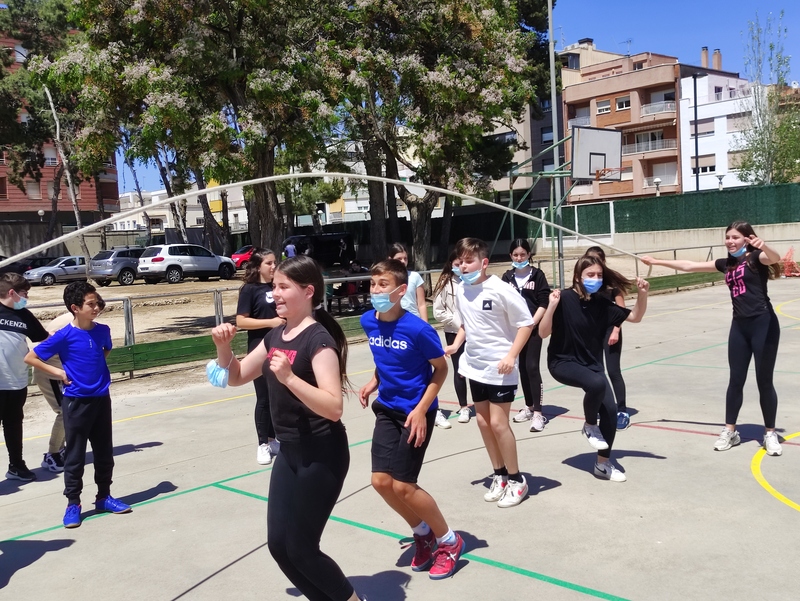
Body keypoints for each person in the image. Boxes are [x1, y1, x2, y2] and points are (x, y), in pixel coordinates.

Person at [210, 255, 363, 601]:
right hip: (290, 452)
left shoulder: (318, 340)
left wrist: (290, 378)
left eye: (283, 287)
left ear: (308, 291)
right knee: (280, 545)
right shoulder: (277, 334)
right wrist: (224, 349)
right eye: (273, 287)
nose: (274, 294)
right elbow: (235, 376)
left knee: (302, 547)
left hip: (321, 454)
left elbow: (334, 407)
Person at [359, 259, 465, 580]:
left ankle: (449, 541)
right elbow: (387, 359)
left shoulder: (419, 329)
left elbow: (440, 369)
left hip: (416, 412)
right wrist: (374, 381)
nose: (375, 290)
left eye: (383, 284)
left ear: (401, 290)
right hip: (387, 409)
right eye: (373, 283)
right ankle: (423, 532)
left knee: (404, 485)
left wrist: (421, 410)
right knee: (380, 481)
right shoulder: (368, 321)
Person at [641, 221, 783, 456]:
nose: (730, 241)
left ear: (747, 239)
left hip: (764, 325)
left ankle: (770, 433)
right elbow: (689, 266)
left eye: (735, 237)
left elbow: (775, 259)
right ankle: (730, 431)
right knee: (735, 380)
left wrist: (764, 246)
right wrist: (657, 262)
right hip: (739, 327)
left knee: (763, 381)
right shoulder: (726, 263)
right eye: (727, 237)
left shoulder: (756, 258)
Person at [25, 282, 131, 528]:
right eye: (91, 304)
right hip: (75, 402)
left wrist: (97, 373)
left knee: (105, 453)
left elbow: (104, 351)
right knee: (74, 456)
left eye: (98, 303)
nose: (97, 308)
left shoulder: (103, 330)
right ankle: (73, 503)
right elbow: (30, 357)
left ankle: (104, 497)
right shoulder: (64, 335)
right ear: (75, 308)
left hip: (101, 399)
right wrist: (59, 372)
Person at [538, 255, 649, 482]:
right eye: (591, 275)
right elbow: (542, 332)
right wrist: (550, 306)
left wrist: (643, 294)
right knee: (598, 383)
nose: (596, 279)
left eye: (599, 275)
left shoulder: (602, 304)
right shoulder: (565, 299)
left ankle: (602, 464)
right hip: (563, 362)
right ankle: (590, 424)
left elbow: (636, 317)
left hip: (592, 365)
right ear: (578, 276)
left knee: (609, 410)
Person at [445, 238, 534, 507]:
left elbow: (526, 324)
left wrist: (511, 356)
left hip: (500, 368)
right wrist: (456, 345)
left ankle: (518, 480)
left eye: (468, 261)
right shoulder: (461, 289)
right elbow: (467, 324)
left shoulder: (501, 289)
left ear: (484, 263)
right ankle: (500, 475)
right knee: (483, 423)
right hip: (475, 366)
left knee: (498, 423)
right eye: (459, 262)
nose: (463, 266)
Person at [32, 297, 105, 473]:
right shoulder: (68, 325)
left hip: (62, 374)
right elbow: (38, 353)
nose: (96, 312)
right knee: (63, 413)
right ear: (77, 308)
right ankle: (52, 454)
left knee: (67, 414)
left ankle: (61, 448)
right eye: (93, 307)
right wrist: (59, 372)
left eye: (98, 309)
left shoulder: (81, 322)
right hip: (51, 374)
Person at [236, 248, 284, 465]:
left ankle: (274, 439)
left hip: (281, 345)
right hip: (259, 348)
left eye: (275, 262)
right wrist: (270, 323)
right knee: (264, 398)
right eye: (269, 263)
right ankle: (262, 443)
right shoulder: (249, 290)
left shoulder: (278, 287)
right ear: (257, 266)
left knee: (279, 396)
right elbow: (241, 321)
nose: (274, 266)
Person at [0, 273, 48, 482]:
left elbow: (43, 338)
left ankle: (16, 466)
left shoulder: (24, 315)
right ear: (12, 293)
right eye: (24, 293)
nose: (26, 297)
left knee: (13, 424)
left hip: (16, 381)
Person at [502, 239, 551, 432]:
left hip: (533, 329)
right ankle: (529, 407)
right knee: (521, 368)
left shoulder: (538, 275)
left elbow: (543, 301)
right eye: (515, 255)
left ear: (529, 255)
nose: (519, 258)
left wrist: (532, 323)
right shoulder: (507, 277)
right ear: (511, 256)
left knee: (532, 367)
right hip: (515, 331)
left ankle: (539, 413)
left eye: (523, 254)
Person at [583, 246, 631, 431]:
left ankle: (622, 410)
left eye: (597, 259)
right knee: (595, 371)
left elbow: (622, 311)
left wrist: (616, 330)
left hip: (611, 330)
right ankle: (598, 405)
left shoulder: (611, 285)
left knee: (613, 371)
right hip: (593, 331)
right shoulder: (586, 283)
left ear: (603, 261)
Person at [432, 251, 470, 424]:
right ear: (450, 264)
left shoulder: (472, 281)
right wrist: (456, 321)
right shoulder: (445, 284)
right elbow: (438, 312)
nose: (461, 267)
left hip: (475, 332)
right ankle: (464, 407)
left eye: (463, 263)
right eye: (456, 264)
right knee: (460, 370)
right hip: (454, 332)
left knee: (478, 370)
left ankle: (484, 403)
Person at [388, 243, 428, 323]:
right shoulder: (386, 279)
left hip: (413, 320)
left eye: (405, 258)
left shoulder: (415, 276)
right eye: (399, 258)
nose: (403, 261)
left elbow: (421, 304)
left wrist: (425, 324)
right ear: (390, 259)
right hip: (393, 321)